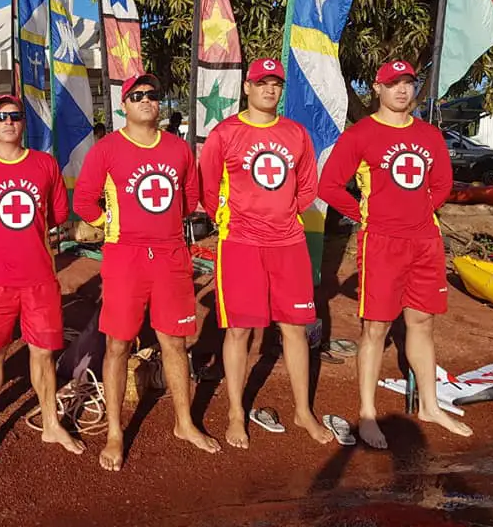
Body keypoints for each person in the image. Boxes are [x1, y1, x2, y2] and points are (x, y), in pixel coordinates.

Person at [318, 60, 473, 449]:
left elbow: (441, 183)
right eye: (393, 84)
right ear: (377, 89)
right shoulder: (361, 134)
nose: (402, 90)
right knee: (376, 328)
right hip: (382, 244)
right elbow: (330, 185)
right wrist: (364, 213)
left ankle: (430, 406)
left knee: (422, 323)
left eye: (407, 83)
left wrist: (420, 211)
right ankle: (368, 414)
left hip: (424, 242)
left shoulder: (429, 135)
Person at [73, 73, 219, 471]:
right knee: (118, 344)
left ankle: (184, 423)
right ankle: (116, 433)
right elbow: (84, 200)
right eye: (137, 95)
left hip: (171, 255)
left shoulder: (177, 149)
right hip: (126, 259)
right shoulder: (107, 149)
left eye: (152, 94)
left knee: (175, 342)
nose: (146, 100)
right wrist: (113, 226)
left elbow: (189, 199)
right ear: (124, 105)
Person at [199, 58, 334, 450]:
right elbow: (209, 188)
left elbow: (308, 184)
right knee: (239, 329)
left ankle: (302, 411)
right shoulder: (225, 133)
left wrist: (285, 212)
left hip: (288, 243)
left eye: (275, 84)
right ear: (247, 87)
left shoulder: (295, 133)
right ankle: (236, 412)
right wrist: (230, 217)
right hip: (240, 243)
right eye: (261, 83)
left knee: (295, 328)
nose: (269, 90)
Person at [0, 95, 86, 464]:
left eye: (15, 116)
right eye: (1, 116)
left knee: (43, 354)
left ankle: (50, 423)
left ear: (23, 123)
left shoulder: (44, 165)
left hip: (39, 278)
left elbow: (57, 213)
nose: (8, 122)